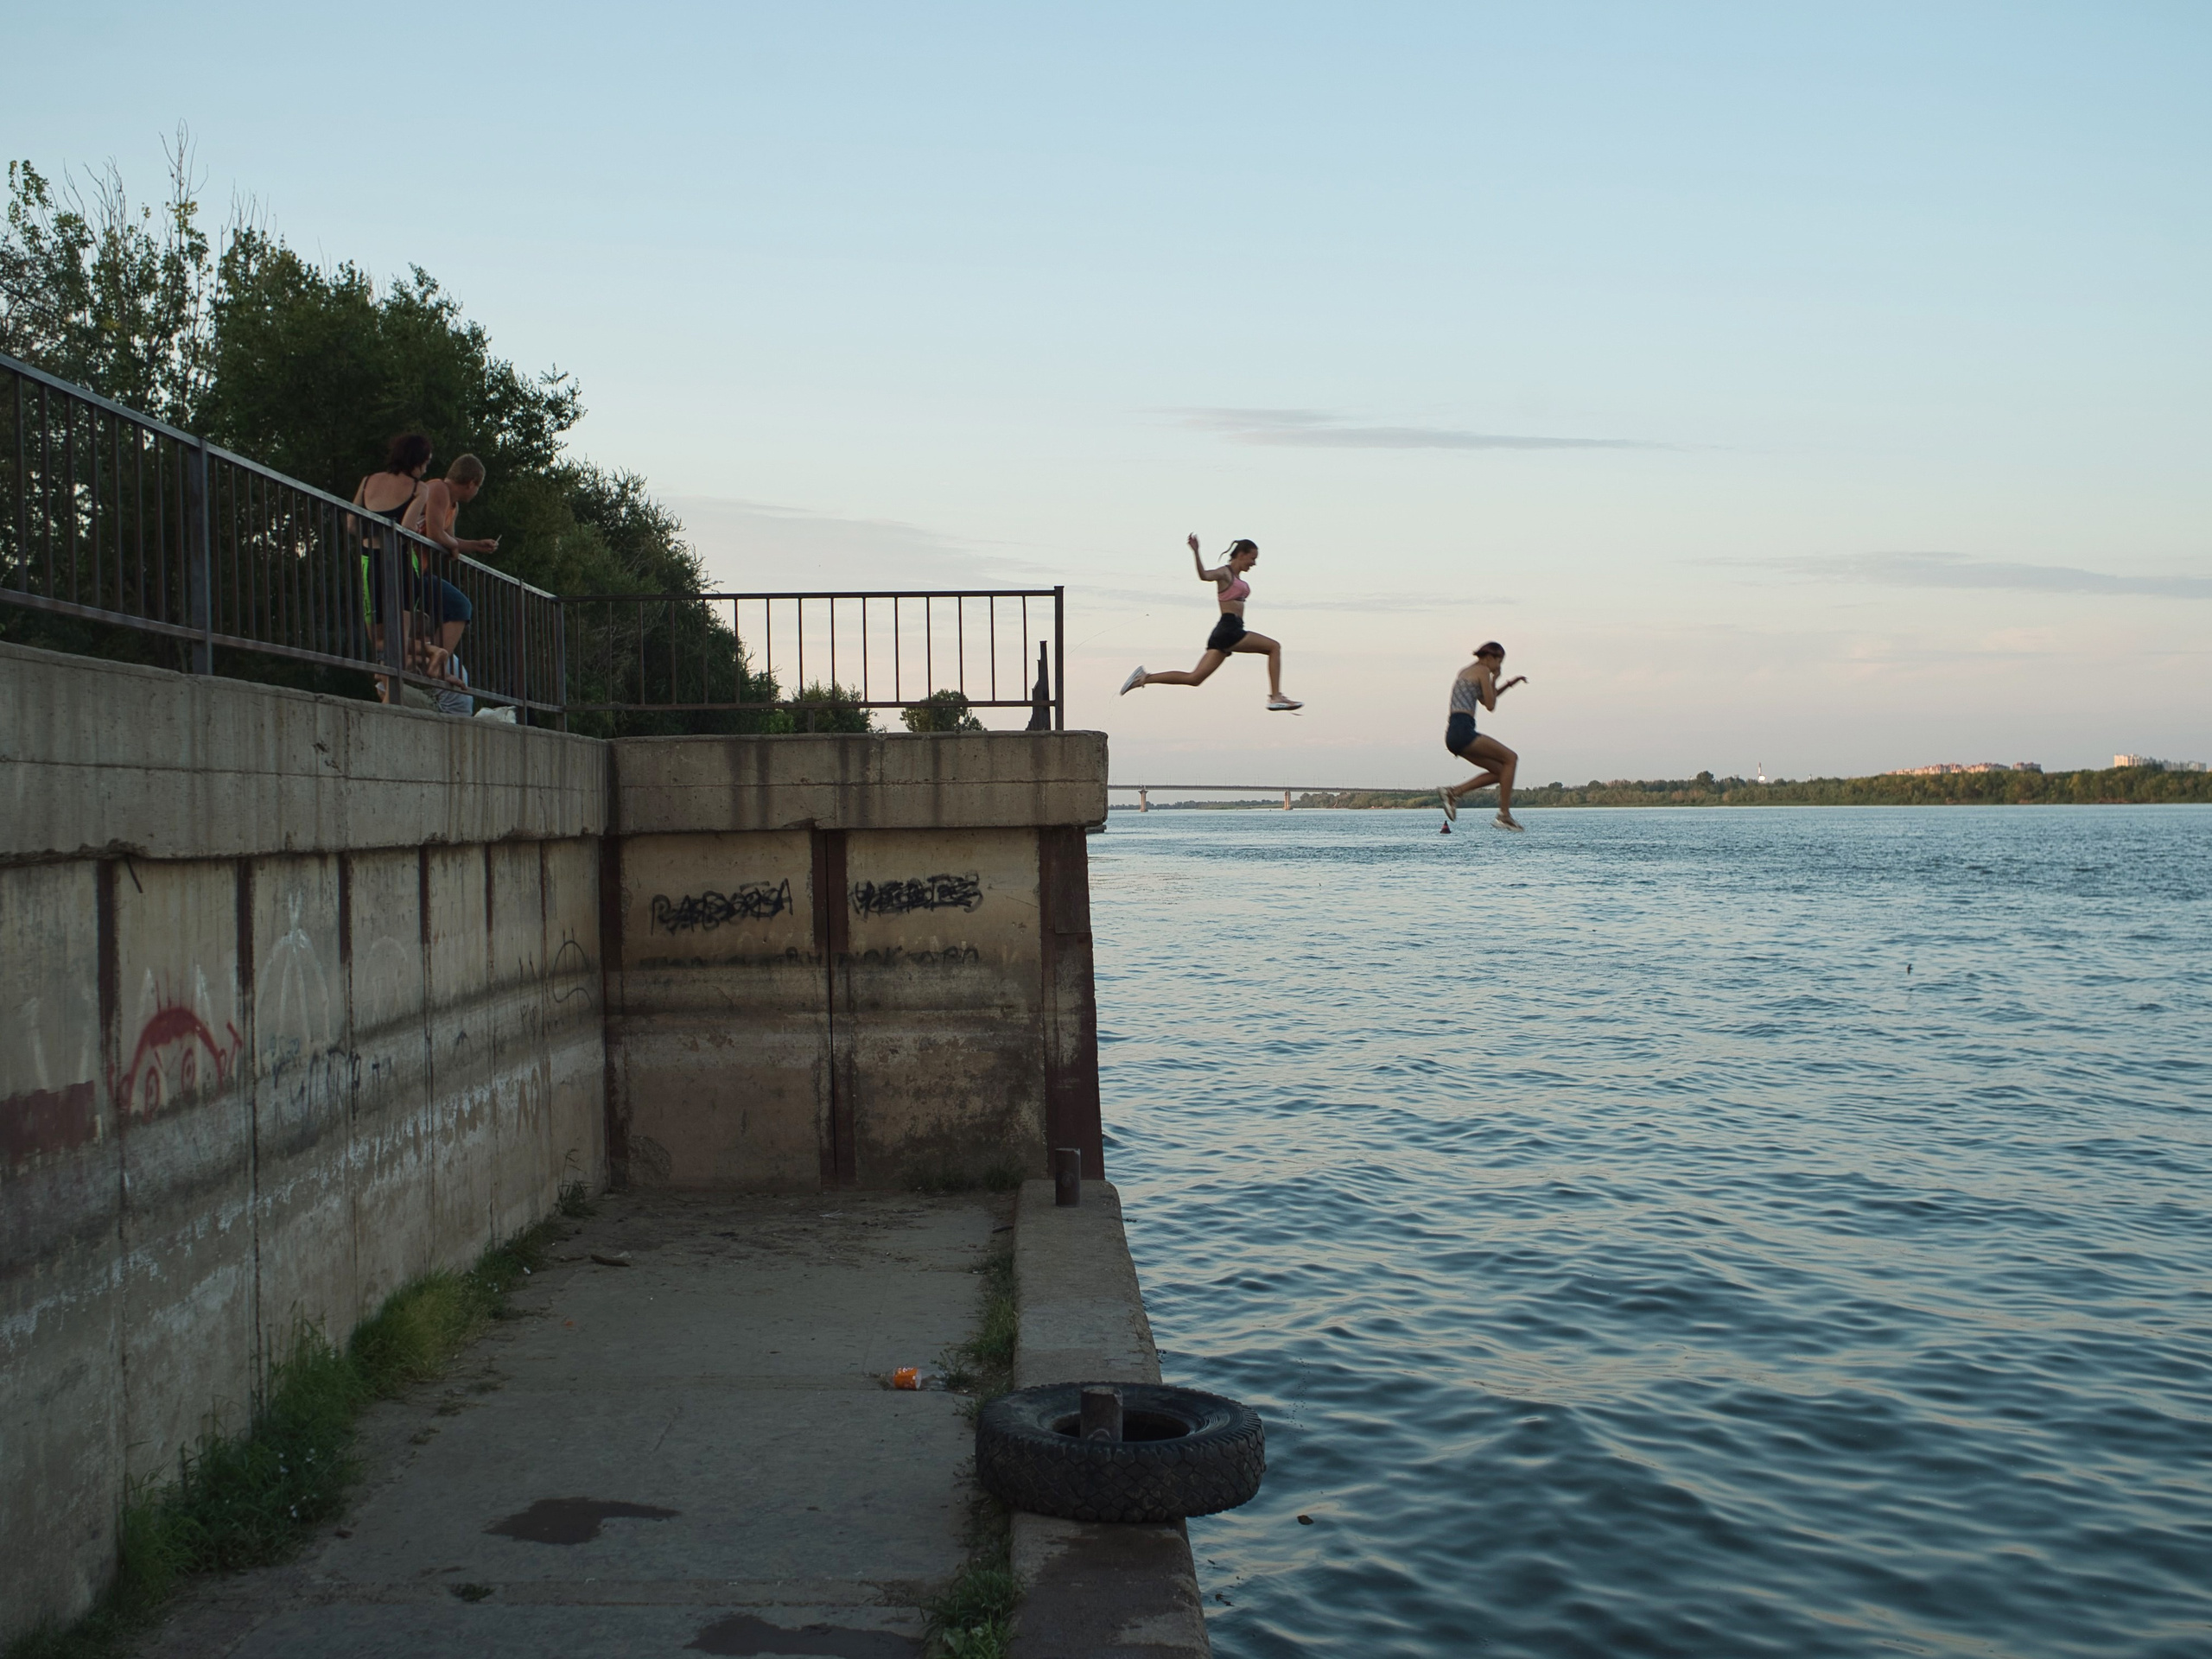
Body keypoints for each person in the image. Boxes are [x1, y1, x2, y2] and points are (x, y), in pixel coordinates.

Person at [1119, 534, 1302, 711]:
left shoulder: (1238, 578)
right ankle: (1275, 696)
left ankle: (1143, 678)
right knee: (1274, 647)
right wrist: (1196, 552)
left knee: (1194, 679)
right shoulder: (1225, 573)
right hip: (1229, 629)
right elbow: (1205, 575)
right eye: (1252, 558)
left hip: (1224, 633)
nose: (1254, 563)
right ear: (1241, 554)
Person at [351, 434, 442, 702]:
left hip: (370, 558)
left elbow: (350, 523)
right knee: (399, 637)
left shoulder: (368, 481)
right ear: (418, 462)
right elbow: (405, 529)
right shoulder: (419, 489)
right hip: (400, 562)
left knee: (376, 636)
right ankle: (392, 697)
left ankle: (384, 691)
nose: (426, 469)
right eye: (426, 463)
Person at [401, 454, 495, 677]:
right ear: (472, 483)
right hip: (403, 565)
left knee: (458, 607)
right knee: (459, 606)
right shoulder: (439, 489)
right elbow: (436, 534)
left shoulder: (453, 506)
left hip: (417, 569)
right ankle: (428, 662)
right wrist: (455, 545)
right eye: (478, 487)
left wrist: (473, 545)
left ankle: (427, 660)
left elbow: (448, 541)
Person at [1438, 642, 1528, 831]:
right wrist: (1494, 678)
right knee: (1511, 758)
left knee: (1500, 772)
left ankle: (1453, 792)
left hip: (1455, 733)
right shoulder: (1482, 671)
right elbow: (1491, 705)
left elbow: (1487, 697)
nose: (1499, 666)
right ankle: (1504, 815)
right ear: (1489, 658)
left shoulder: (1468, 671)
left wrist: (1508, 684)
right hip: (1463, 729)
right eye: (1499, 661)